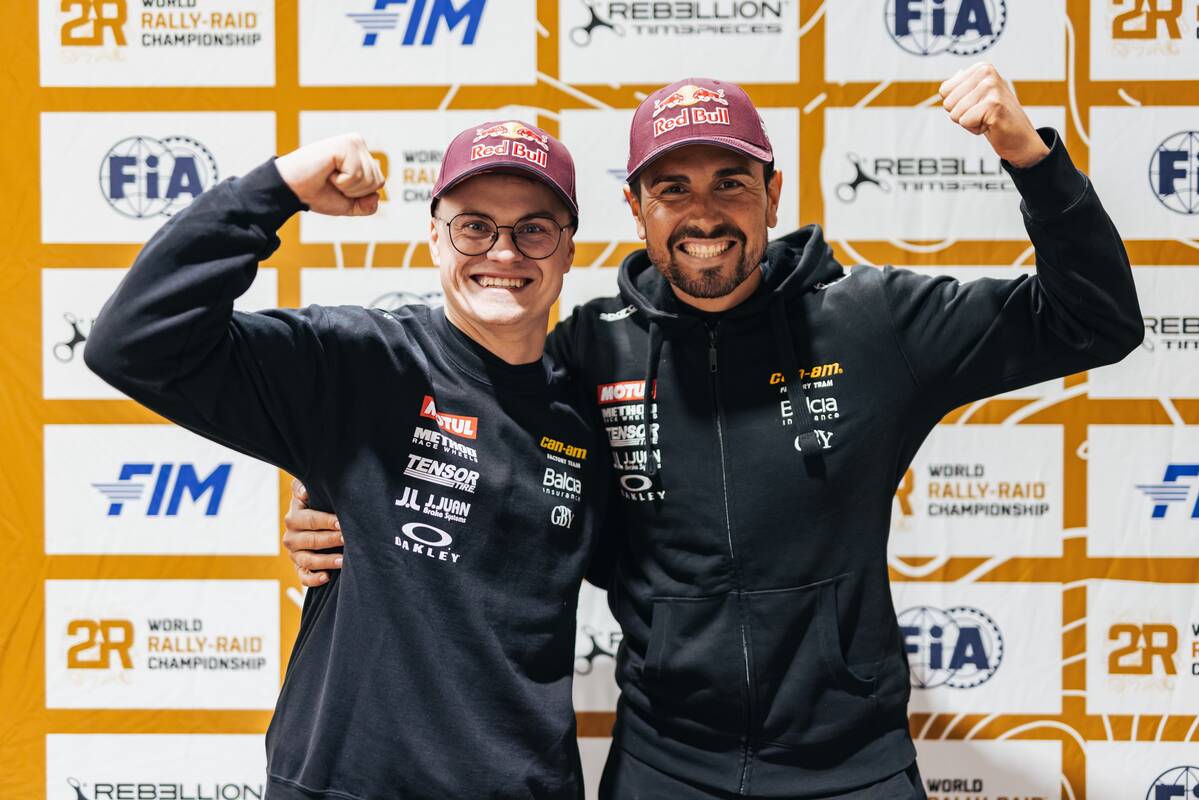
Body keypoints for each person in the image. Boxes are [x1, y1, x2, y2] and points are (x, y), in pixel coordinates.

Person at [285, 66, 1143, 798]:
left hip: (853, 765)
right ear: (635, 207)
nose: (702, 214)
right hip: (665, 765)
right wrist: (343, 499)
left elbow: (1094, 322)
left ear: (772, 192)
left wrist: (1030, 157)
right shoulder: (589, 346)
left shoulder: (874, 322)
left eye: (730, 182)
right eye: (671, 189)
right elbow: (477, 444)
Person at [85, 121, 609, 799]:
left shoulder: (587, 413)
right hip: (342, 784)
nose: (502, 252)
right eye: (474, 227)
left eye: (533, 230)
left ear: (568, 249)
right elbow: (132, 343)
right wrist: (276, 189)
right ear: (434, 237)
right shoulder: (356, 360)